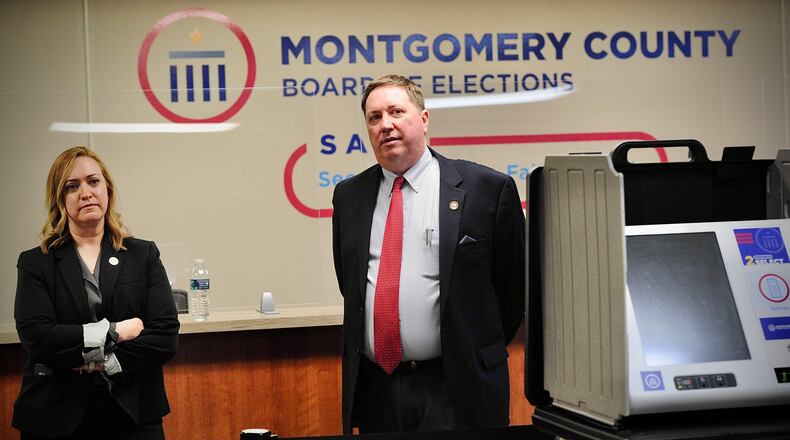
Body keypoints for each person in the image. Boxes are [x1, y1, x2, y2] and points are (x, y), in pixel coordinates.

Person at [332, 75, 525, 434]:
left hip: (457, 387)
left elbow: (514, 290)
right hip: (378, 388)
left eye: (396, 111)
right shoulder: (350, 196)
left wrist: (473, 345)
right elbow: (351, 284)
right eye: (374, 118)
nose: (385, 124)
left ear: (423, 119)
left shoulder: (487, 190)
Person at [12, 146, 180, 440]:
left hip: (133, 414)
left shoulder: (143, 254)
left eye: (93, 181)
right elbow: (38, 337)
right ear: (60, 200)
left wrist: (103, 363)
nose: (86, 192)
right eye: (72, 186)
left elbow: (165, 336)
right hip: (54, 416)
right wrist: (116, 330)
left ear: (108, 190)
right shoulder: (36, 262)